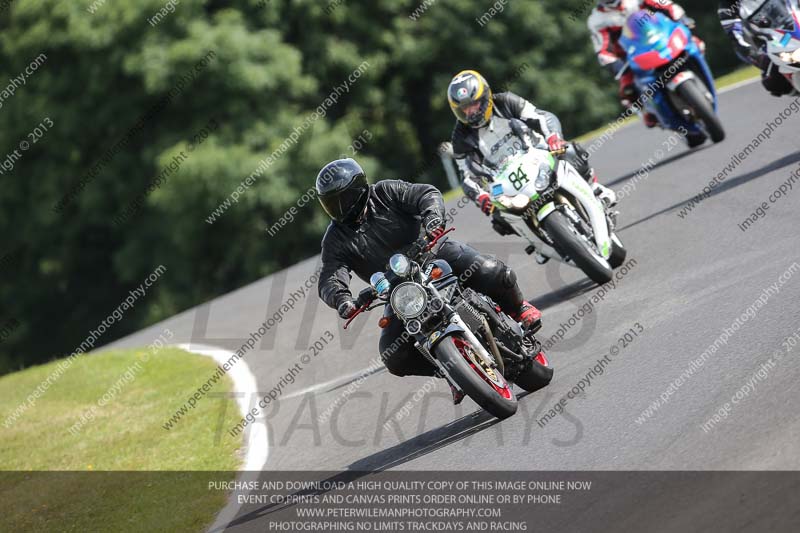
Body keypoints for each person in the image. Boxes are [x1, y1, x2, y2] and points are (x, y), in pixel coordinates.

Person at [316, 158, 542, 403]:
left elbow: (425, 193)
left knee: (489, 270)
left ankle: (518, 308)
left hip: (432, 252)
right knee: (393, 355)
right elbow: (330, 274)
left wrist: (433, 218)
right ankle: (451, 370)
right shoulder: (335, 238)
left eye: (342, 199)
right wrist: (341, 299)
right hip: (398, 291)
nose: (338, 208)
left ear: (358, 189)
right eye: (330, 203)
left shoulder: (384, 192)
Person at [447, 70, 617, 238]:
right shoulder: (460, 137)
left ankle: (595, 190)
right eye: (464, 108)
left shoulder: (506, 101)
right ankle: (541, 243)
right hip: (506, 181)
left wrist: (553, 137)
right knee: (499, 219)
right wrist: (481, 196)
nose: (470, 112)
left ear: (485, 97)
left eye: (473, 104)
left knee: (571, 152)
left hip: (539, 156)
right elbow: (466, 176)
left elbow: (541, 117)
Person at [588, 0, 699, 128]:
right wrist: (615, 63)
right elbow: (602, 50)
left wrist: (682, 19)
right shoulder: (596, 20)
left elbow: (666, 5)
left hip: (661, 40)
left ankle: (698, 76)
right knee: (628, 90)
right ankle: (649, 113)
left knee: (695, 44)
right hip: (631, 56)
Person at [718, 0, 794, 97]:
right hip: (776, 45)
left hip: (796, 26)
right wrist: (758, 57)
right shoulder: (727, 8)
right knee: (772, 82)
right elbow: (737, 40)